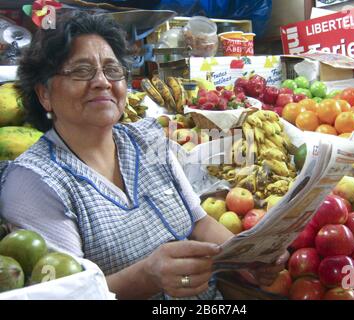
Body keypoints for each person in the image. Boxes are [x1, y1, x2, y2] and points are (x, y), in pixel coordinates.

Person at [0, 11, 286, 300]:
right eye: (81, 70)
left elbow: (199, 223)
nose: (102, 81)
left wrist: (247, 258)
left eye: (112, 70)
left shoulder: (147, 139)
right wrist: (147, 277)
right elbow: (71, 295)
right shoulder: (34, 182)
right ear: (44, 94)